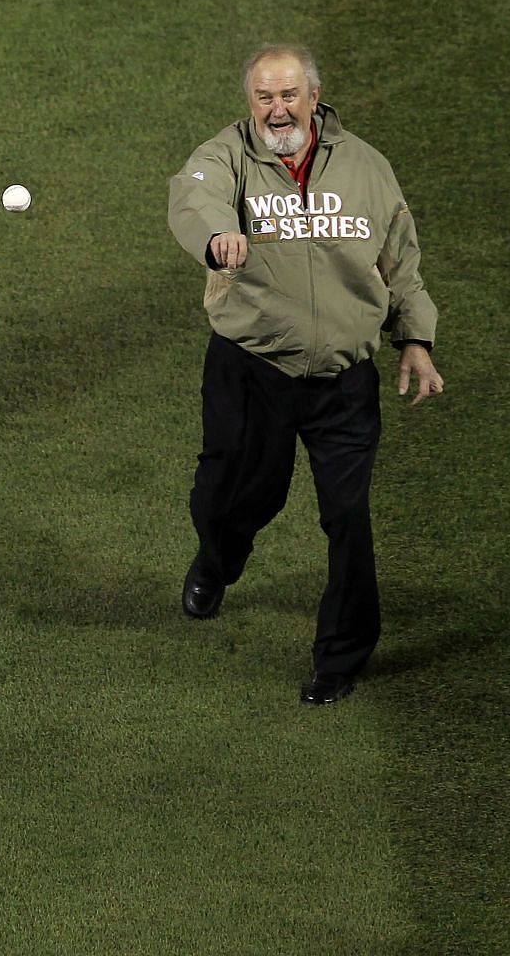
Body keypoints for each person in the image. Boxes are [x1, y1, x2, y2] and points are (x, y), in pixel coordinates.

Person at [167, 44, 443, 706]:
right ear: (250, 103)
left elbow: (399, 258)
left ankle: (340, 657)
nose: (276, 109)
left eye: (288, 95)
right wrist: (216, 237)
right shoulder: (227, 156)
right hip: (251, 371)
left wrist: (416, 337)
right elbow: (192, 197)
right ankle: (218, 559)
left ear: (315, 97)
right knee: (234, 497)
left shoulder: (366, 167)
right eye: (264, 97)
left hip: (344, 382)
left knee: (347, 517)